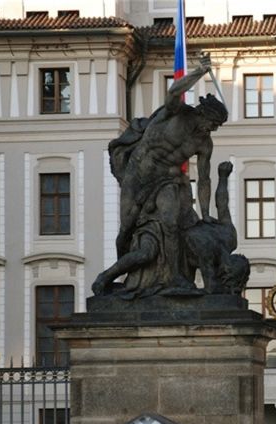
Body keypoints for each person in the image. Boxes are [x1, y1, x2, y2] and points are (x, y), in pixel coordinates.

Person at [93, 54, 229, 297]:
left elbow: (205, 179)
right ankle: (114, 275)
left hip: (169, 181)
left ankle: (175, 277)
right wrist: (198, 72)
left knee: (170, 222)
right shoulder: (176, 113)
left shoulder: (204, 143)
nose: (213, 129)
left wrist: (206, 213)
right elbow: (174, 91)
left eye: (217, 126)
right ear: (202, 113)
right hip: (139, 176)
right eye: (213, 123)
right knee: (126, 228)